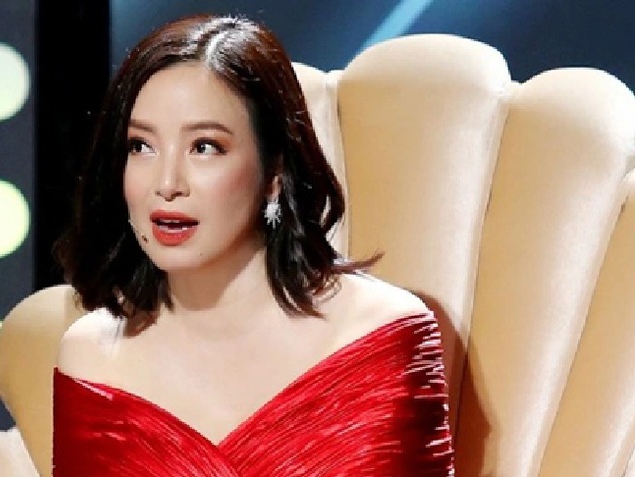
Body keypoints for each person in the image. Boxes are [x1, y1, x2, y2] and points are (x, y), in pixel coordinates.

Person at [51, 12, 455, 476]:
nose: (166, 183)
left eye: (204, 147)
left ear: (274, 172)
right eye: (141, 146)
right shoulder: (93, 359)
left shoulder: (380, 336)